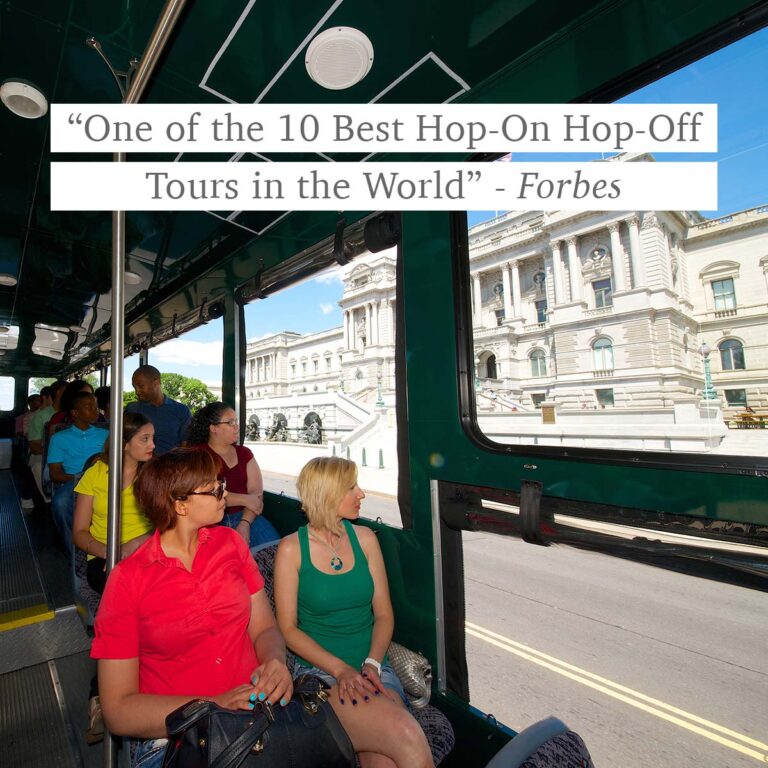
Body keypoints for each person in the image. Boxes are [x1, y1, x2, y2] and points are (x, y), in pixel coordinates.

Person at [92, 448, 293, 768]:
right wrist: (211, 705)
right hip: (180, 735)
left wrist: (275, 661)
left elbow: (265, 628)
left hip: (256, 712)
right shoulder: (128, 581)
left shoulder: (231, 545)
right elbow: (118, 711)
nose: (224, 492)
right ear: (179, 504)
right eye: (214, 489)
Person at [274, 457, 433, 768]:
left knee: (386, 761)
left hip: (375, 670)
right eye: (352, 487)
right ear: (328, 494)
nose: (361, 494)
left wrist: (372, 664)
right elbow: (288, 629)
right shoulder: (291, 550)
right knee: (406, 732)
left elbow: (384, 614)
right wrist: (340, 670)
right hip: (322, 676)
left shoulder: (366, 540)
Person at [72, 412, 155, 595]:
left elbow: (168, 524)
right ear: (124, 443)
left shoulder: (156, 474)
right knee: (121, 583)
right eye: (145, 439)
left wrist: (133, 545)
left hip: (147, 548)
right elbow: (79, 532)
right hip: (103, 554)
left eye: (152, 438)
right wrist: (110, 553)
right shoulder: (95, 474)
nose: (153, 445)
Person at [187, 402, 279, 549]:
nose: (237, 426)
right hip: (211, 520)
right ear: (213, 428)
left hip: (248, 515)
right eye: (230, 422)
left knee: (273, 552)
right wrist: (245, 499)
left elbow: (257, 495)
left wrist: (245, 523)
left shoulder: (245, 453)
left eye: (236, 421)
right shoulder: (198, 455)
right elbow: (204, 496)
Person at [47, 392, 106, 554]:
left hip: (103, 478)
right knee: (60, 503)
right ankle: (74, 550)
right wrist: (80, 476)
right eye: (89, 407)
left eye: (96, 405)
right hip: (75, 479)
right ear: (75, 413)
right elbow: (55, 474)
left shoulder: (107, 434)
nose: (96, 410)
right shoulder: (59, 438)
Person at [125, 366, 191, 455]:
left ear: (156, 382)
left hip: (171, 465)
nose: (137, 391)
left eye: (141, 386)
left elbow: (186, 444)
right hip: (141, 466)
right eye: (134, 387)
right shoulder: (132, 409)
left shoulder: (181, 410)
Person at [28, 379, 67, 502]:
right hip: (43, 453)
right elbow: (34, 446)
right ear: (60, 393)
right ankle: (50, 500)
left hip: (68, 453)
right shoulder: (41, 416)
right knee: (38, 466)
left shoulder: (74, 413)